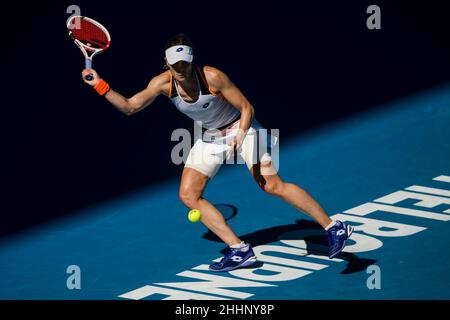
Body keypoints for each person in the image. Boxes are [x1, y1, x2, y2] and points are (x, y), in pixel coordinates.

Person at [81, 33, 353, 272]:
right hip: (211, 137)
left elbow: (247, 108)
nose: (181, 69)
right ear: (167, 64)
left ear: (191, 60)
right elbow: (129, 107)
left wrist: (240, 136)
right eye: (175, 65)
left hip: (243, 128)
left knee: (271, 185)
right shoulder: (161, 84)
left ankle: (333, 227)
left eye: (185, 63)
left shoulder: (212, 76)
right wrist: (100, 85)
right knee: (188, 195)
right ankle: (240, 250)